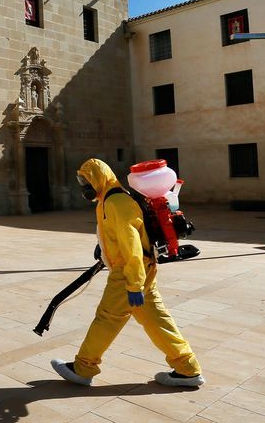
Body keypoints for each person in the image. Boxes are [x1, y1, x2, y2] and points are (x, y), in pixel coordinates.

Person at [51, 158, 204, 387]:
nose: (84, 186)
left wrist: (133, 284)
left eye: (86, 181)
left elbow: (132, 247)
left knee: (107, 318)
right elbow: (118, 234)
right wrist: (104, 248)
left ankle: (83, 368)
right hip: (140, 271)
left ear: (99, 178)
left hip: (129, 273)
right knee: (157, 321)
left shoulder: (116, 203)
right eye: (81, 181)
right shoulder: (108, 199)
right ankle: (188, 369)